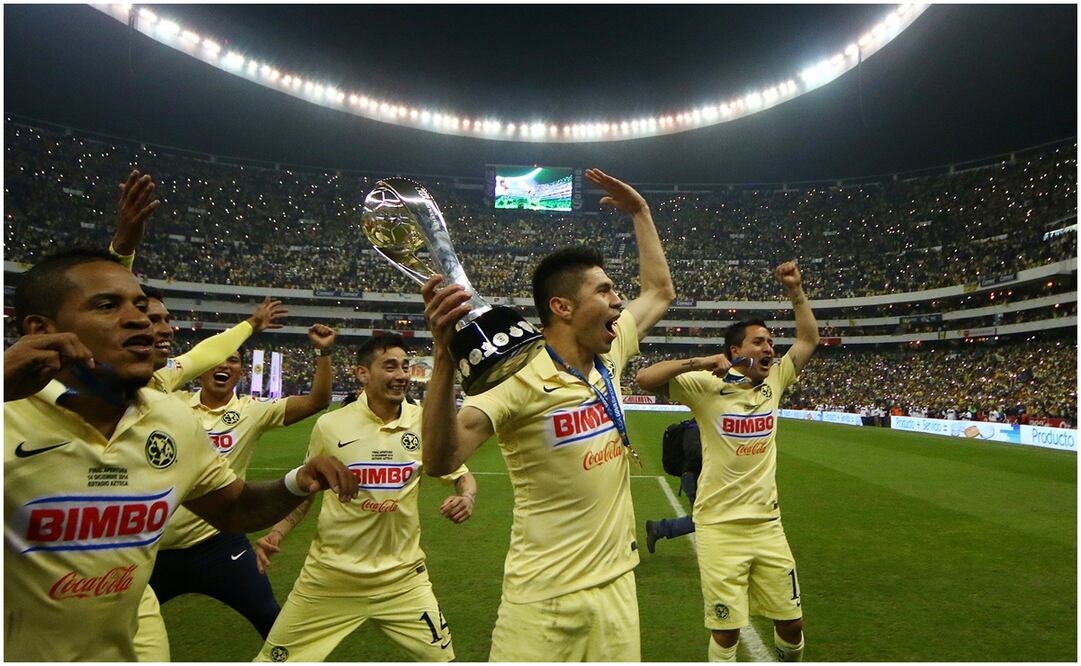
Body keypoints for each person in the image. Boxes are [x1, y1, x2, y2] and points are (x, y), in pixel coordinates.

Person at [3, 248, 357, 661]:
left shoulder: (170, 418)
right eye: (106, 305)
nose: (141, 320)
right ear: (41, 330)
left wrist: (299, 480)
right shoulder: (9, 417)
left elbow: (234, 508)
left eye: (142, 307)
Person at [420, 168, 674, 661]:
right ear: (561, 306)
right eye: (603, 291)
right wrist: (445, 359)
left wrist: (640, 214)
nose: (617, 300)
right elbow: (440, 459)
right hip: (544, 599)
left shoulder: (611, 351)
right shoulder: (516, 378)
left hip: (619, 585)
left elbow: (660, 292)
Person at [635, 261, 820, 662]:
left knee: (791, 622)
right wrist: (699, 363)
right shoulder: (707, 387)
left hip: (768, 526)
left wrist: (796, 291)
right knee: (726, 631)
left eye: (770, 342)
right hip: (718, 527)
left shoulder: (775, 381)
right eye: (758, 342)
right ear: (735, 351)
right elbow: (644, 379)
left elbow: (808, 340)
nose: (769, 349)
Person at [253, 333, 477, 662]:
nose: (401, 375)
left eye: (405, 366)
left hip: (402, 581)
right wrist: (278, 530)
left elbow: (461, 473)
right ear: (362, 373)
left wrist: (467, 497)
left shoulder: (424, 423)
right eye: (390, 366)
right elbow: (308, 489)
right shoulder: (330, 426)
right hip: (329, 579)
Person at [144, 322, 338, 642]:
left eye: (233, 360)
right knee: (114, 625)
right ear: (202, 366)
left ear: (241, 371)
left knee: (272, 622)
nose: (224, 365)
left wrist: (324, 352)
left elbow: (317, 401)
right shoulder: (170, 403)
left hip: (219, 544)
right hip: (156, 547)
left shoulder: (252, 411)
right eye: (218, 359)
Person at [644, 419, 703, 553]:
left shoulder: (704, 426)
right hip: (694, 478)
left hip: (699, 478)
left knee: (707, 517)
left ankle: (658, 528)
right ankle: (659, 528)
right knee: (705, 518)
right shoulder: (695, 427)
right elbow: (692, 452)